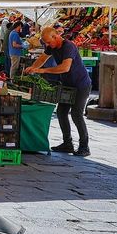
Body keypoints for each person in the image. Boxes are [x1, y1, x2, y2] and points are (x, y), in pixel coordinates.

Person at [24, 26, 92, 156]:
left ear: (56, 37)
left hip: (81, 84)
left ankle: (84, 146)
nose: (48, 45)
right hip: (67, 85)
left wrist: (43, 70)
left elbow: (65, 68)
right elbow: (43, 58)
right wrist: (33, 68)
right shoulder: (52, 46)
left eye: (49, 42)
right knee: (61, 112)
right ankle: (67, 143)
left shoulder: (69, 46)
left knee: (76, 114)